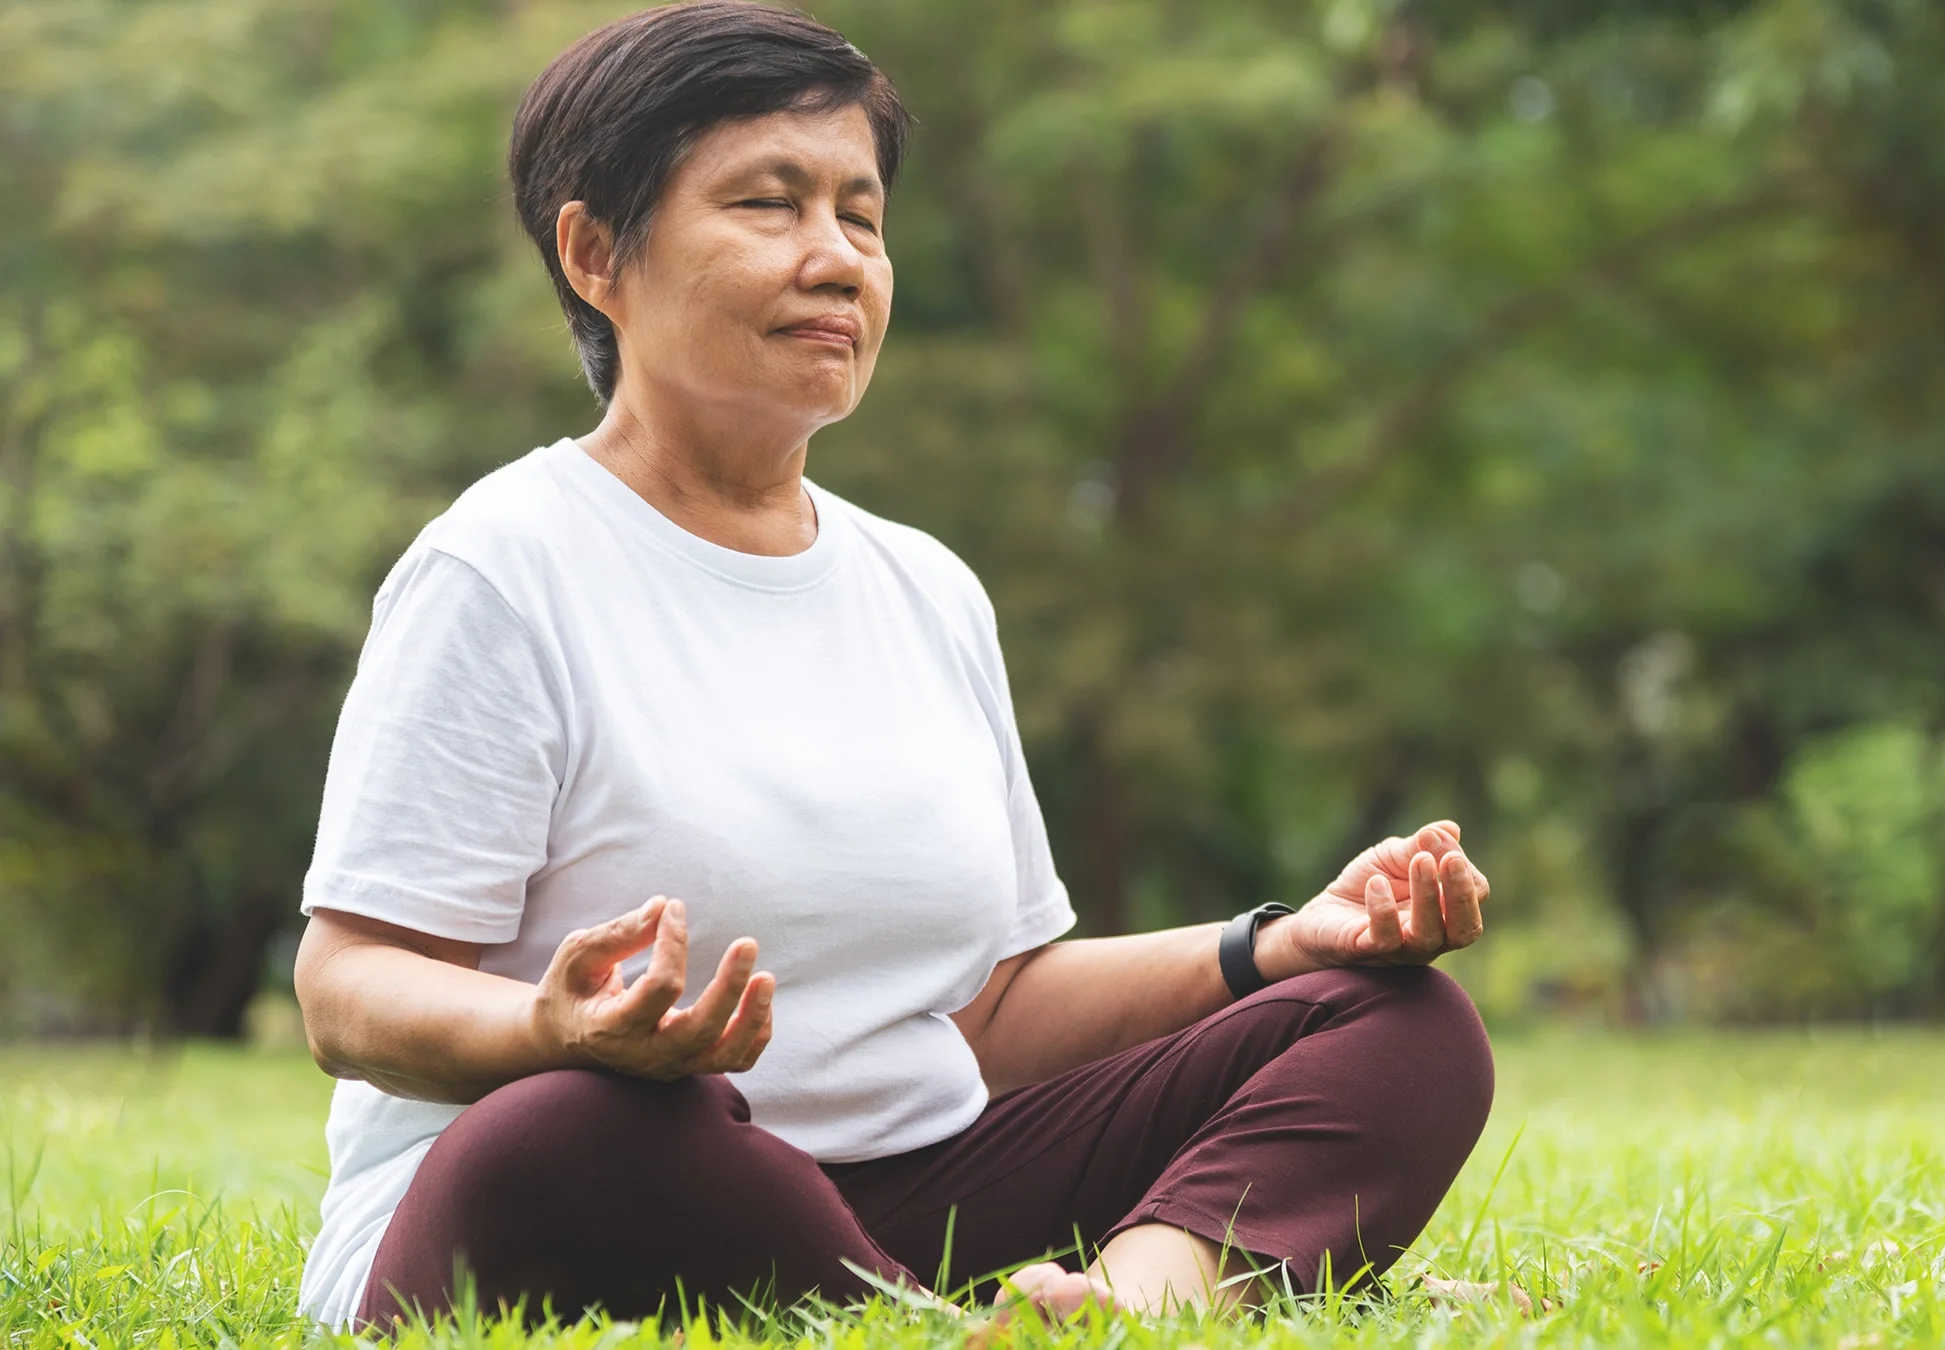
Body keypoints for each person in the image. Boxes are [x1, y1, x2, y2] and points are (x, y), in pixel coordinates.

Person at [288, 0, 1495, 1331]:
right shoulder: (504, 569)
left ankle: (1132, 1305)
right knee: (579, 1125)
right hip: (601, 1189)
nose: (836, 260)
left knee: (1397, 1026)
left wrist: (1273, 944)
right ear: (594, 254)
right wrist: (550, 1032)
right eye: (768, 204)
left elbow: (992, 1007)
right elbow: (347, 986)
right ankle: (932, 1320)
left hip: (919, 1186)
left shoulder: (924, 587)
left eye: (860, 217)